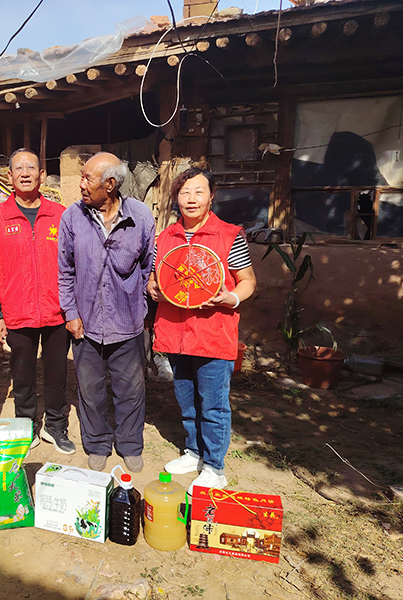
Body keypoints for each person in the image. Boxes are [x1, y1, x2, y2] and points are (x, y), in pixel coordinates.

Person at [148, 167, 257, 489]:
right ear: (176, 198)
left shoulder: (229, 235)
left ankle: (214, 467)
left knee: (213, 404)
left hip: (213, 333)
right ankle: (194, 452)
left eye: (198, 191)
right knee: (186, 398)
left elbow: (248, 281)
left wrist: (231, 297)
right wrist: (152, 287)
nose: (191, 199)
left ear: (212, 196)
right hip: (175, 332)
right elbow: (156, 277)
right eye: (184, 192)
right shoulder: (165, 238)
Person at [58, 152, 155, 473]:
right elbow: (65, 271)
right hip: (85, 324)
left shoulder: (140, 216)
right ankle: (98, 442)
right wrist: (71, 313)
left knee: (131, 389)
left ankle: (130, 444)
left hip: (127, 323)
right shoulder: (72, 217)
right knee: (91, 390)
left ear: (110, 185)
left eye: (88, 178)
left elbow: (148, 267)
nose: (81, 184)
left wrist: (140, 309)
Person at [0, 148, 76, 454]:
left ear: (42, 175)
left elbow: (72, 264)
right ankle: (26, 426)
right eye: (19, 168)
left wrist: (73, 308)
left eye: (31, 168)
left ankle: (56, 426)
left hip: (56, 311)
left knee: (57, 375)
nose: (25, 173)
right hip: (17, 311)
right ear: (10, 176)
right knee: (21, 375)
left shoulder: (60, 215)